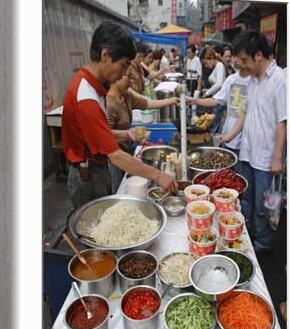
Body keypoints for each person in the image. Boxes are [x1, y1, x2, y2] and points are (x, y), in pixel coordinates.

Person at [62, 21, 178, 208]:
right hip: (87, 176)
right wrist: (158, 174)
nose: (125, 73)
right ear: (105, 55)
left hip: (96, 170)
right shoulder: (86, 97)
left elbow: (97, 133)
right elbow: (115, 155)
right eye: (123, 65)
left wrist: (125, 134)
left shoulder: (94, 86)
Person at [219, 30, 287, 253]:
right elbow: (245, 114)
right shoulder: (252, 81)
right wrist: (228, 137)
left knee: (262, 206)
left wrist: (277, 159)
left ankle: (262, 245)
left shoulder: (279, 80)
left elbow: (283, 123)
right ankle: (246, 236)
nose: (242, 66)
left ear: (259, 55)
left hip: (266, 158)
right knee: (246, 198)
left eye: (245, 60)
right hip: (247, 152)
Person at [106, 76, 180, 191]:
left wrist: (172, 100)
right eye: (128, 77)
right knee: (120, 188)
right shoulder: (109, 103)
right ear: (116, 75)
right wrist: (126, 134)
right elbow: (105, 134)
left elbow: (147, 104)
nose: (132, 81)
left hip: (126, 152)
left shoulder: (126, 96)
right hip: (115, 158)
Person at [188, 53, 250, 172]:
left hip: (245, 144)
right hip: (228, 138)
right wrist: (195, 100)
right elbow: (216, 100)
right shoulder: (231, 79)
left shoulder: (253, 81)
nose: (235, 59)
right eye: (234, 56)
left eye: (239, 56)